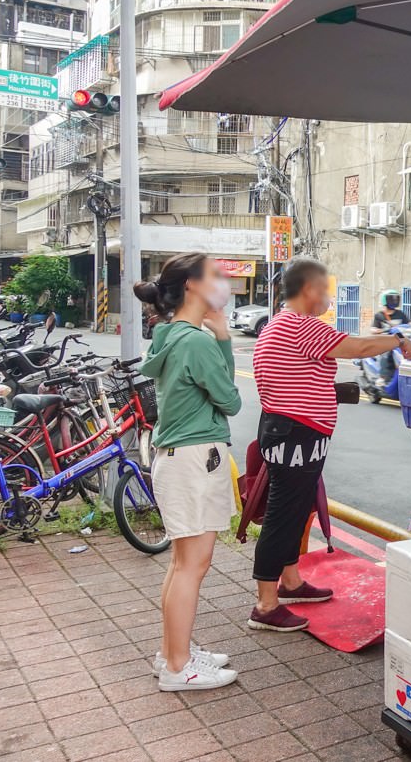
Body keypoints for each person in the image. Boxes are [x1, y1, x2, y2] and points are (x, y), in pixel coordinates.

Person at [249, 257, 411, 631]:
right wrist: (400, 340)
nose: (328, 296)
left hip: (294, 432)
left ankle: (290, 581)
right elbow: (356, 348)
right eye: (325, 289)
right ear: (308, 290)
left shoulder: (283, 324)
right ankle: (265, 604)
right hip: (294, 434)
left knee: (297, 509)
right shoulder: (300, 325)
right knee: (283, 513)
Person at [135, 254, 242, 691]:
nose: (224, 282)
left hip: (179, 458)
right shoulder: (194, 342)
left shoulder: (171, 334)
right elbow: (231, 401)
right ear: (193, 287)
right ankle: (179, 668)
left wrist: (215, 335)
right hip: (195, 459)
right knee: (191, 567)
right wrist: (223, 339)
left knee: (182, 564)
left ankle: (172, 652)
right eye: (216, 275)